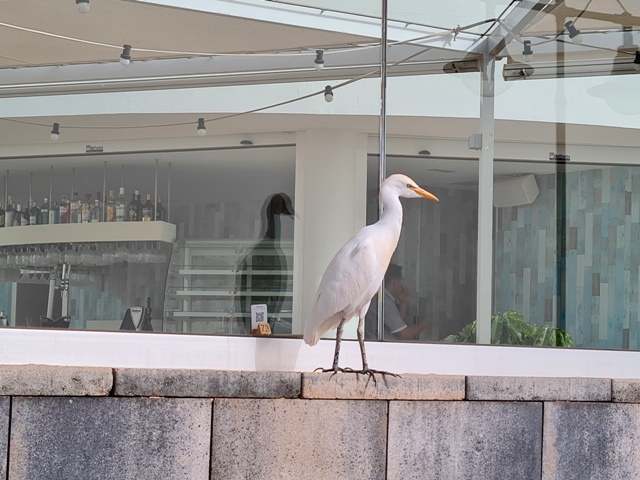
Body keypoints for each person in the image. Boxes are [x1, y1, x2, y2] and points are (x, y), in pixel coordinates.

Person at [365, 263, 430, 341]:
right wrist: (425, 323)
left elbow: (397, 325)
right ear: (394, 282)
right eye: (401, 280)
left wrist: (403, 303)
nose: (402, 284)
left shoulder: (383, 298)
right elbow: (404, 334)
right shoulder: (383, 301)